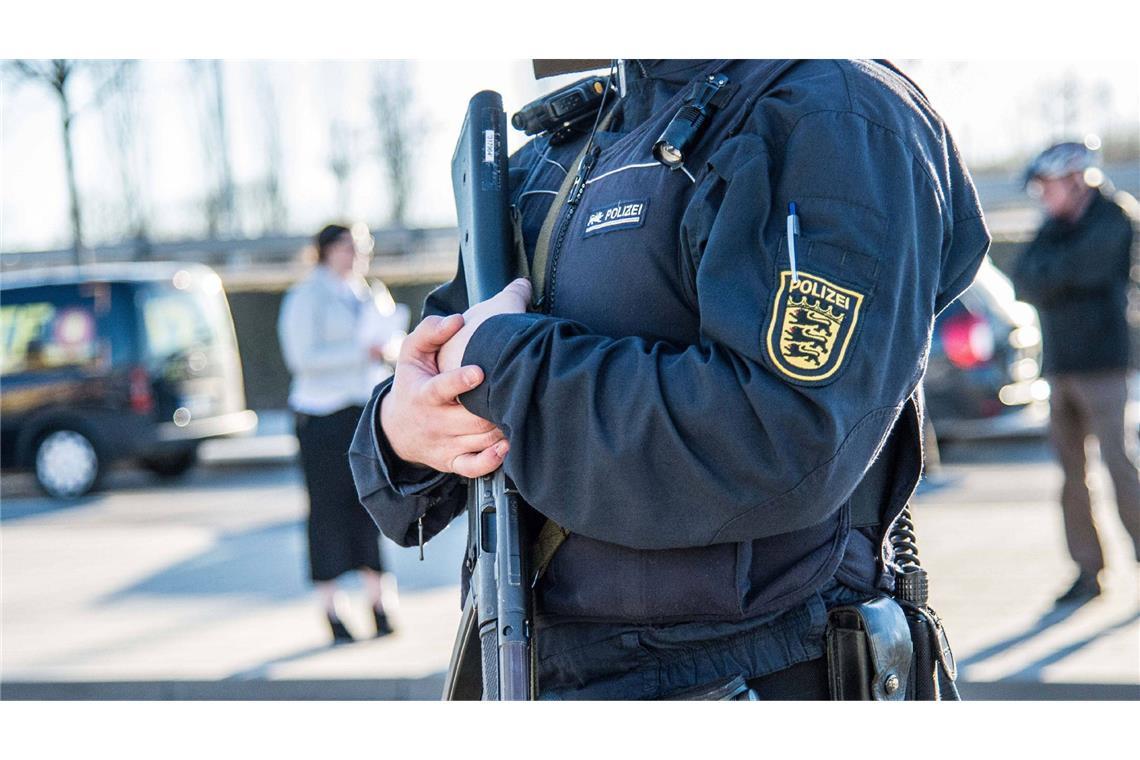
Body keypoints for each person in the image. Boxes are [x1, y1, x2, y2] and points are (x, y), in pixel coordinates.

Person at [350, 59, 990, 698]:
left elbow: (783, 434)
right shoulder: (561, 148)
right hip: (533, 671)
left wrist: (505, 361)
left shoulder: (829, 112)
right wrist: (402, 429)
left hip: (752, 673)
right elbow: (442, 373)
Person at [1011, 142, 1140, 606]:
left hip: (1104, 365)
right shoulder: (1053, 227)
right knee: (1071, 476)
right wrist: (1056, 276)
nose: (1043, 197)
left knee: (1120, 466)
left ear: (1074, 179)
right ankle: (1088, 571)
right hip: (1061, 367)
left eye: (1047, 187)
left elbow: (1084, 268)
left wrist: (1055, 276)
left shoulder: (1113, 216)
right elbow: (1025, 278)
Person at [279, 223, 408, 644]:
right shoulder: (306, 296)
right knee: (327, 510)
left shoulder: (368, 293)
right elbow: (302, 358)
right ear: (326, 250)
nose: (356, 256)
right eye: (348, 248)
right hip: (321, 416)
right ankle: (332, 609)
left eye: (362, 248)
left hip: (363, 410)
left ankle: (379, 601)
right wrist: (361, 351)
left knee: (371, 503)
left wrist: (390, 351)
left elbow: (386, 342)